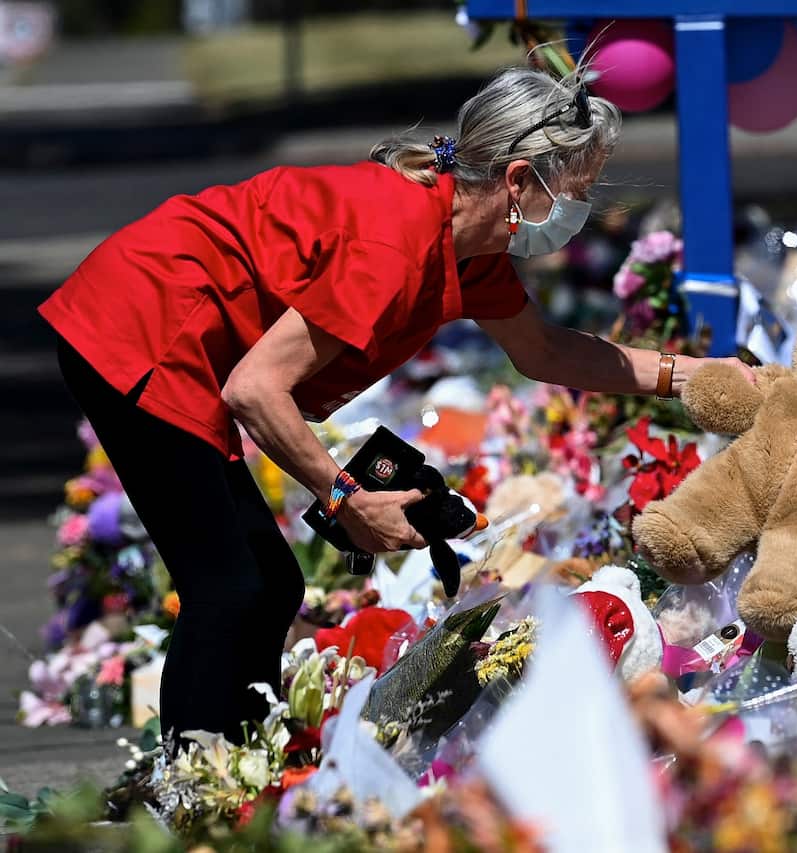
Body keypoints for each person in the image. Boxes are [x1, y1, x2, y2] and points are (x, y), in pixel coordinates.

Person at [39, 67, 753, 742]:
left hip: (174, 329)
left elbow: (548, 353)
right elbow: (256, 388)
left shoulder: (468, 248)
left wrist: (696, 375)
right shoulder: (397, 238)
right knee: (228, 588)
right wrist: (346, 496)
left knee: (269, 582)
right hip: (140, 324)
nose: (579, 212)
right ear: (515, 182)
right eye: (575, 189)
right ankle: (192, 789)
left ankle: (235, 771)